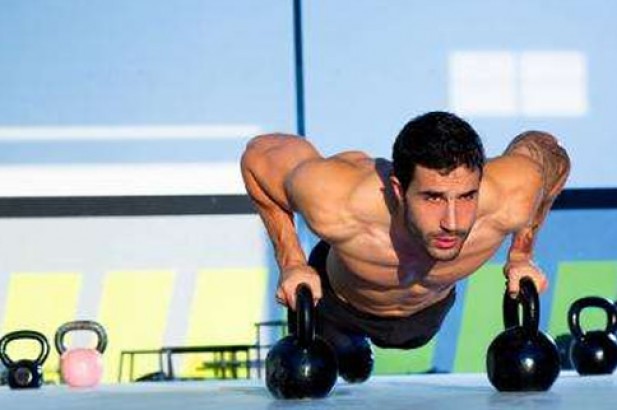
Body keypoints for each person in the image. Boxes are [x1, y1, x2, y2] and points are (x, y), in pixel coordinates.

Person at [240, 111, 570, 382]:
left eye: (467, 196)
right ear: (399, 190)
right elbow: (258, 154)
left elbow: (551, 154)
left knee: (379, 352)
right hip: (340, 305)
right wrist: (292, 262)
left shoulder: (513, 191)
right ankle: (350, 347)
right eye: (433, 198)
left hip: (426, 316)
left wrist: (522, 254)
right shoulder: (338, 197)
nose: (453, 222)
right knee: (349, 365)